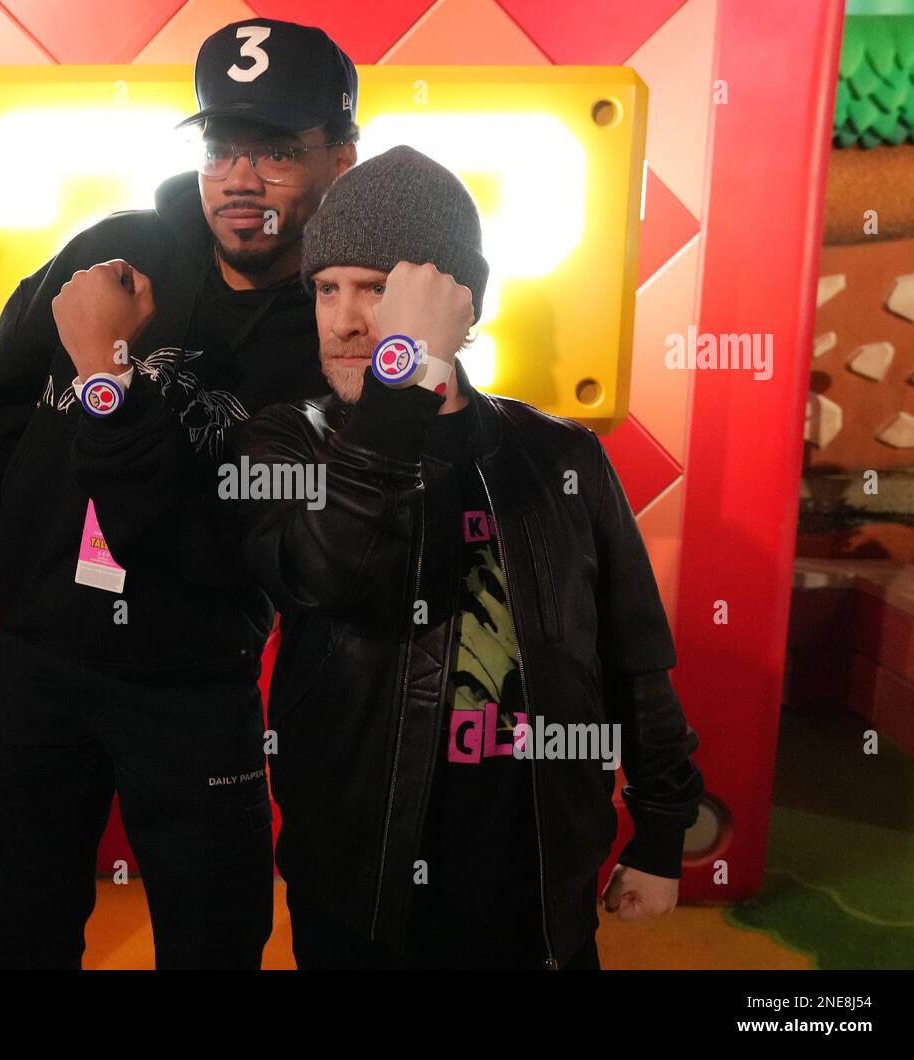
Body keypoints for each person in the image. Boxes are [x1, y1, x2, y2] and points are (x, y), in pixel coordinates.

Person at [0, 18, 359, 970]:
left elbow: (215, 536)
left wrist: (108, 372)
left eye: (276, 151)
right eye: (221, 147)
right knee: (15, 927)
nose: (241, 177)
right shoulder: (116, 246)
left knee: (212, 939)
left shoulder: (338, 329)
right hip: (39, 656)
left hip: (195, 675)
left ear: (340, 158)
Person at [229, 145, 707, 970]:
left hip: (535, 873)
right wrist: (400, 390)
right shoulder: (283, 441)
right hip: (359, 876)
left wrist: (661, 830)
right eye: (325, 289)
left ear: (458, 304)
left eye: (378, 289)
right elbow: (322, 572)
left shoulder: (561, 456)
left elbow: (631, 657)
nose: (344, 321)